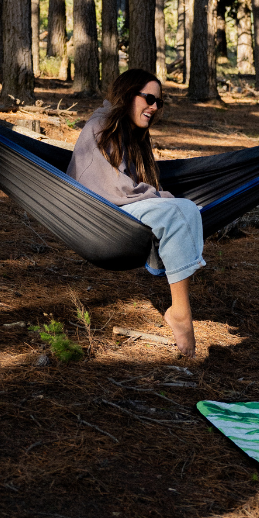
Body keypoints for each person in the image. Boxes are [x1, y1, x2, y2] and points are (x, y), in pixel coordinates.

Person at [67, 69, 204, 357]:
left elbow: (138, 188)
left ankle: (177, 303)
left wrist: (160, 198)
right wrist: (161, 200)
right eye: (150, 98)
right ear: (129, 95)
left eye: (159, 103)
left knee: (188, 211)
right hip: (102, 218)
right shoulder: (101, 126)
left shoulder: (135, 137)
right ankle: (180, 312)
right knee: (181, 211)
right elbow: (106, 187)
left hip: (125, 212)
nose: (154, 107)